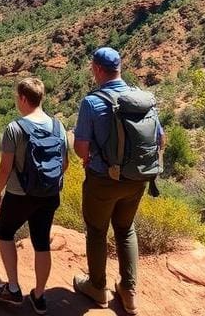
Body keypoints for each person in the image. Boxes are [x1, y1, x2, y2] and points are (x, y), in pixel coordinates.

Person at [72, 47, 164, 316]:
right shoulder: (142, 98)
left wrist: (90, 159)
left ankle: (97, 288)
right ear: (119, 68)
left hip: (102, 180)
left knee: (97, 231)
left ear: (98, 69)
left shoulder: (92, 102)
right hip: (137, 180)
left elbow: (80, 147)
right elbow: (160, 138)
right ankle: (129, 292)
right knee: (125, 229)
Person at [0, 77, 66, 315]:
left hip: (20, 194)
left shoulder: (15, 128)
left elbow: (5, 168)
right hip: (49, 194)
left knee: (5, 232)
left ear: (23, 98)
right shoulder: (58, 126)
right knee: (42, 242)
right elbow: (64, 165)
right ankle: (39, 296)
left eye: (17, 97)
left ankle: (12, 289)